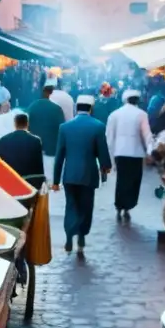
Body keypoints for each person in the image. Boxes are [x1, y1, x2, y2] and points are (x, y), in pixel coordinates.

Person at [52, 95, 112, 255]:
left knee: (71, 205)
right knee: (86, 206)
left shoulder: (64, 127)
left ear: (76, 108)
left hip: (70, 175)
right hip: (88, 174)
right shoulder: (98, 126)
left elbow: (59, 156)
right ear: (91, 108)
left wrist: (56, 181)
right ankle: (82, 237)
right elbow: (102, 151)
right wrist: (106, 166)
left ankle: (69, 236)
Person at [105, 90, 152, 219]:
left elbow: (109, 138)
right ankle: (128, 207)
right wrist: (150, 151)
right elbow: (147, 135)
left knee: (122, 180)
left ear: (125, 100)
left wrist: (110, 158)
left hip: (120, 153)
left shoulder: (114, 114)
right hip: (136, 154)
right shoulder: (142, 114)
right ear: (137, 100)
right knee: (133, 181)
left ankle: (119, 206)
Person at [0, 112, 44, 178]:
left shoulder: (3, 140)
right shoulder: (36, 141)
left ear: (15, 124)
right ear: (27, 124)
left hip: (11, 179)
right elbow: (39, 164)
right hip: (31, 180)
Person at [27, 85, 66, 159]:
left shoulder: (32, 107)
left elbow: (26, 128)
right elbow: (62, 130)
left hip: (34, 151)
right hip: (52, 151)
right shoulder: (57, 109)